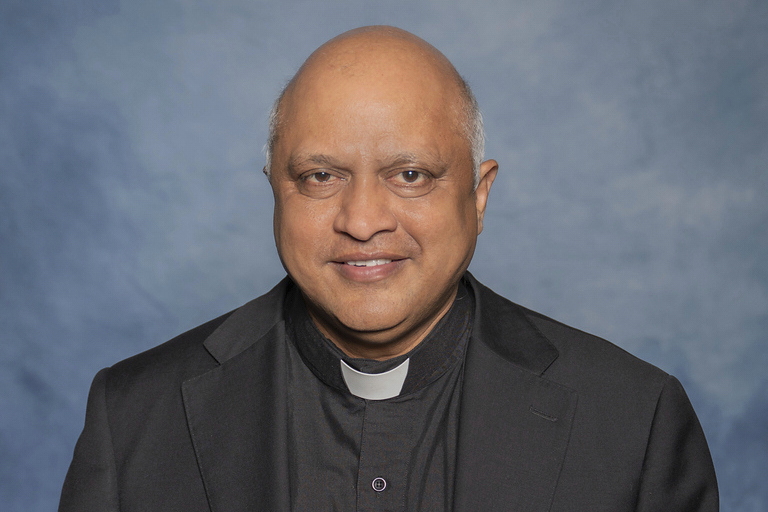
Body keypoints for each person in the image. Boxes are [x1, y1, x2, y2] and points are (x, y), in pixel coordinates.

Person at [59, 26, 718, 511]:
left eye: (410, 174)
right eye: (320, 176)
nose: (363, 218)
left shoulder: (636, 421)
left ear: (479, 195)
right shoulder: (135, 417)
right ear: (275, 190)